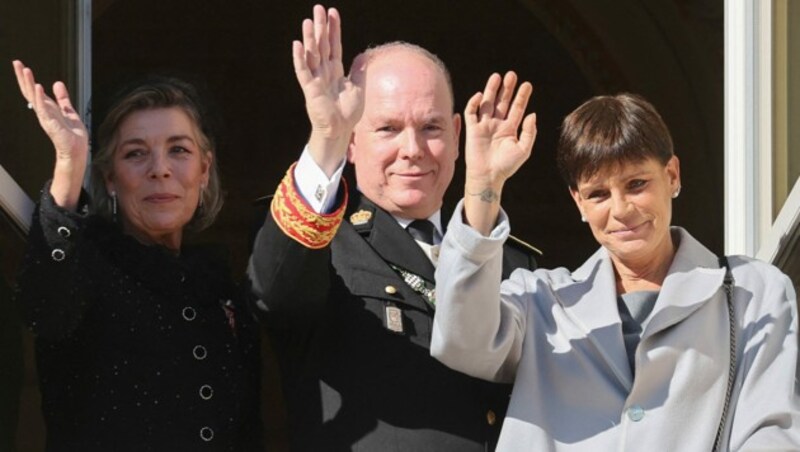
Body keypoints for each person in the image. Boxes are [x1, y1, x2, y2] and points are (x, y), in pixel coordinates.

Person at [431, 92, 800, 450]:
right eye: (598, 194)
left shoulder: (753, 291)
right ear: (578, 202)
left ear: (672, 175)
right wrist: (484, 185)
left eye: (636, 184)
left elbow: (771, 430)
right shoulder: (540, 300)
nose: (620, 209)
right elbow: (463, 344)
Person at [247, 5, 539, 450]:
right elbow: (274, 293)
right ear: (351, 140)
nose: (413, 149)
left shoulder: (515, 260)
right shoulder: (326, 241)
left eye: (431, 127)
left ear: (458, 135)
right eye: (387, 128)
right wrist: (324, 136)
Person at [12, 61, 261, 451]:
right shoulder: (86, 266)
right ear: (110, 178)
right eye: (135, 154)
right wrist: (69, 165)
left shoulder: (222, 292)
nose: (160, 170)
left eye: (179, 150)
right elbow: (43, 306)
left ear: (203, 169)